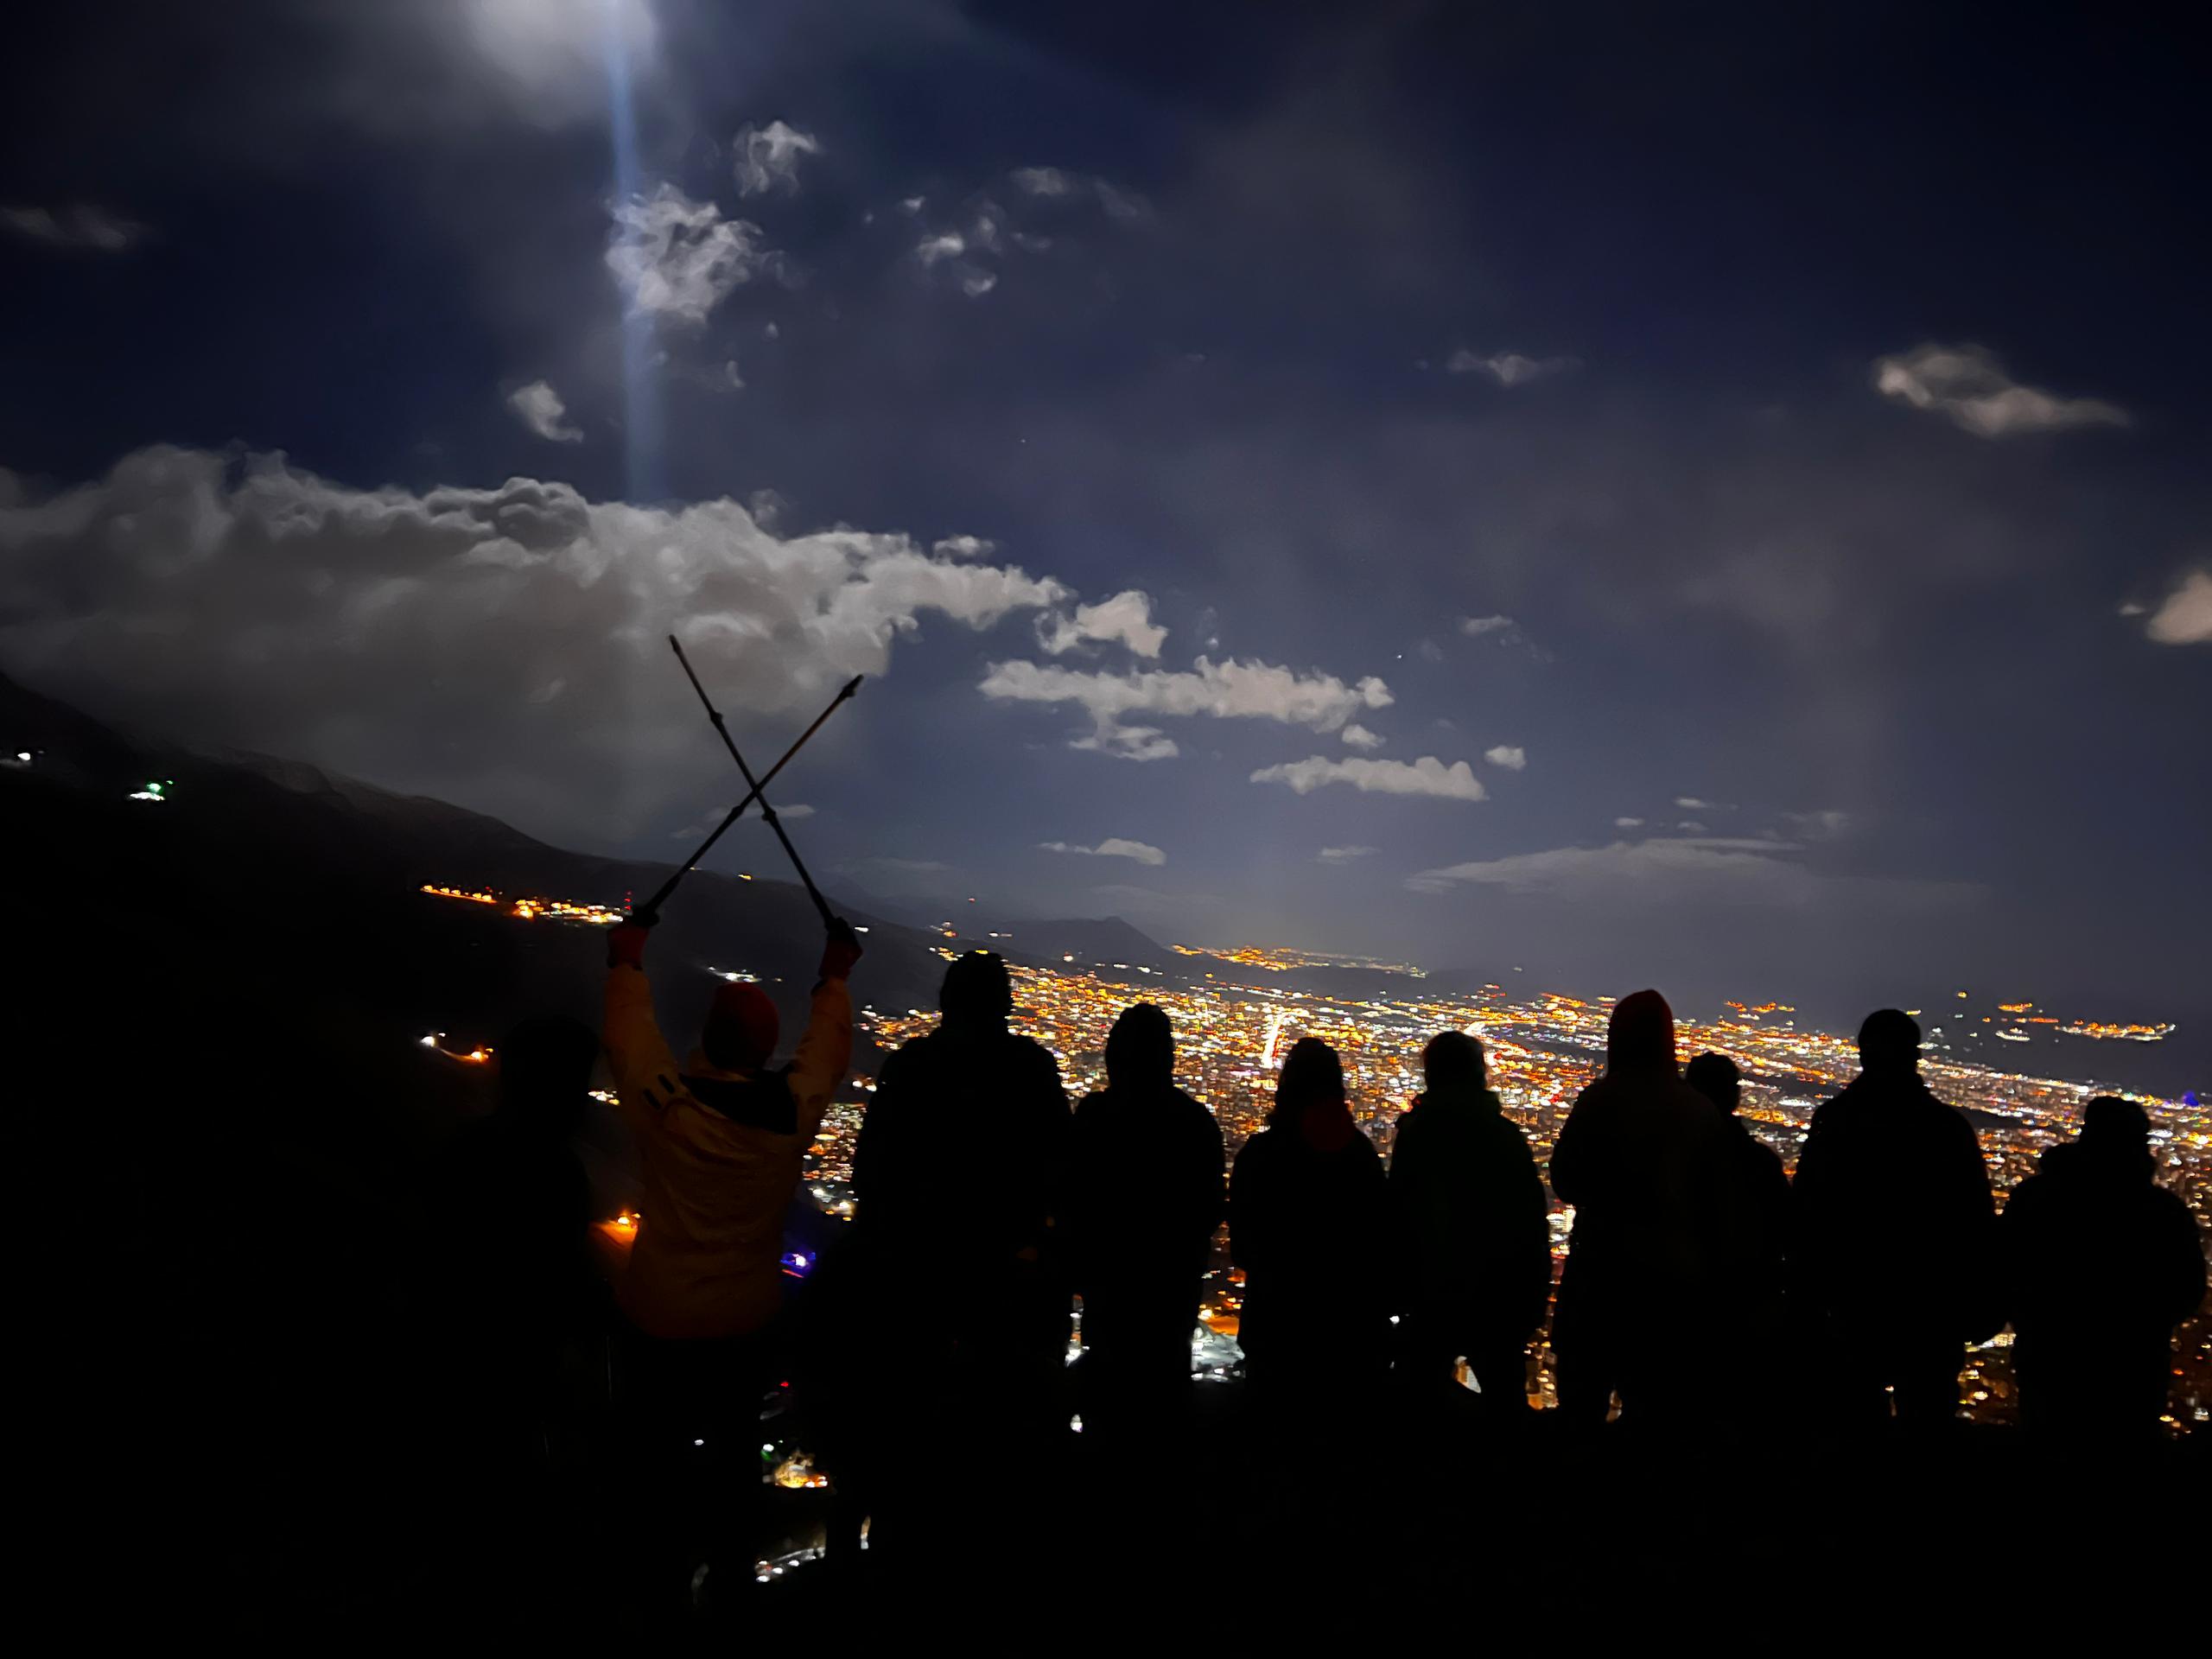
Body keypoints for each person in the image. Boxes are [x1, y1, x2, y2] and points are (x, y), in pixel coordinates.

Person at [598, 912, 861, 1610]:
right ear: (765, 1049)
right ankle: (730, 1593)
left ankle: (649, 1593)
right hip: (744, 1324)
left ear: (708, 1040)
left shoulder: (667, 1108)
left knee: (651, 1463)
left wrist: (626, 964)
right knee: (732, 1463)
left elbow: (630, 1041)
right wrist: (835, 979)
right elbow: (825, 1055)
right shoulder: (789, 1117)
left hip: (658, 1317)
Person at [842, 950, 1069, 1562]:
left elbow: (870, 1176)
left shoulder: (910, 1068)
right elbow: (1060, 1175)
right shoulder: (1032, 1070)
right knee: (994, 1434)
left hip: (915, 1282)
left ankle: (895, 1555)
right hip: (1003, 1286)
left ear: (945, 1003)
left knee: (908, 1432)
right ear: (1006, 1006)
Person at [1791, 1008, 1994, 1428]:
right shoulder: (1947, 1129)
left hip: (1851, 1302)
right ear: (1914, 1056)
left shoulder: (1836, 1123)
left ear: (1862, 1055)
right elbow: (1975, 1225)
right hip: (1929, 1307)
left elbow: (1808, 1214)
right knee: (1927, 1423)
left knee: (1852, 1423)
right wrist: (1979, 1306)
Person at [1548, 991, 1730, 1427]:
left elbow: (1566, 1179)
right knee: (1657, 1416)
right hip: (1674, 1288)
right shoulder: (1700, 1111)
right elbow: (1720, 1207)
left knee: (1582, 1408)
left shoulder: (1600, 1101)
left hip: (1601, 1275)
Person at [1065, 1002, 1225, 1444]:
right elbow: (1210, 1210)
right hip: (1170, 1295)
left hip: (1109, 1291)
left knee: (1108, 1409)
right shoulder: (1195, 1124)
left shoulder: (1095, 1118)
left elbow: (1071, 1196)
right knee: (1164, 1407)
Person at [1999, 1096, 2206, 1438]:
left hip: (2049, 1356)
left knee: (2048, 1439)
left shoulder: (2038, 1197)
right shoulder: (2162, 1213)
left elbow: (2006, 1264)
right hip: (2133, 1367)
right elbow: (2188, 1290)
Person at [1387, 1032, 1549, 1414]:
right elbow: (1530, 1222)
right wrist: (1532, 1298)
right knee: (1504, 1401)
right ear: (1479, 1075)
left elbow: (1399, 1215)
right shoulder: (1504, 1136)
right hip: (1497, 1293)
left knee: (1418, 1396)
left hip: (1430, 1291)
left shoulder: (1418, 1134)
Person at [1230, 1037, 1390, 1408]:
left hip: (1276, 1328)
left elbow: (1244, 1248)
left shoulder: (1261, 1156)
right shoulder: (1361, 1158)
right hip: (1350, 1333)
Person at [1685, 1052, 1791, 1352]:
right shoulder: (1758, 1163)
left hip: (1679, 1305)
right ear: (1734, 1096)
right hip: (1745, 1306)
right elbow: (1787, 1229)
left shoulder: (1666, 1157)